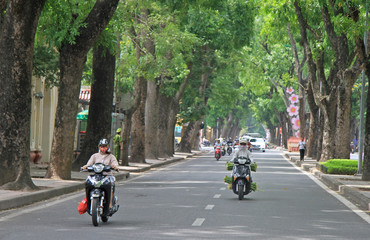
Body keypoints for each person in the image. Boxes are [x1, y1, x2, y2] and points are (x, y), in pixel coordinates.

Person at [82, 139, 119, 209]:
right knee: (88, 182)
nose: (103, 148)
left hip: (107, 176)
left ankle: (110, 204)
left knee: (111, 185)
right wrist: (85, 167)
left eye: (105, 146)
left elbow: (115, 163)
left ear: (107, 147)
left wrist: (115, 167)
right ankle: (88, 203)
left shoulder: (111, 156)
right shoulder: (94, 156)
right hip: (96, 176)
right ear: (99, 147)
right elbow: (89, 164)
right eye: (101, 146)